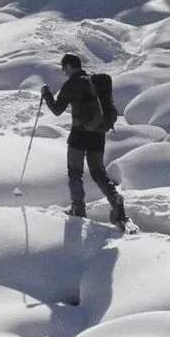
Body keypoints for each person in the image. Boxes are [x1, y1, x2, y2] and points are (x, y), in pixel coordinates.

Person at [40, 54, 123, 225]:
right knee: (98, 172)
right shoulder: (96, 82)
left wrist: (46, 94)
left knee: (75, 172)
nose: (64, 72)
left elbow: (56, 110)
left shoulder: (71, 84)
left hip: (79, 135)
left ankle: (78, 208)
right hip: (98, 134)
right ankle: (115, 199)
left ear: (69, 67)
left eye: (64, 69)